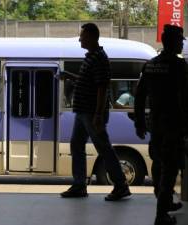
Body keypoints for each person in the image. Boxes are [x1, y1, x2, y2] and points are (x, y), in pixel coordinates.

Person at [60, 23, 131, 201]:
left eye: (82, 36)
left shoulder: (99, 58)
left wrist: (99, 114)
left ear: (91, 37)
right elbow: (91, 82)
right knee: (76, 145)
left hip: (92, 113)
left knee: (104, 148)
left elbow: (102, 87)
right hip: (83, 111)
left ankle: (121, 185)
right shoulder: (92, 57)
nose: (79, 39)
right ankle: (79, 185)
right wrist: (71, 76)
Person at [134, 24, 188, 225]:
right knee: (170, 168)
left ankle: (164, 202)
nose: (182, 43)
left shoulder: (149, 65)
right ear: (173, 42)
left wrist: (139, 122)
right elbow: (186, 98)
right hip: (173, 124)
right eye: (180, 40)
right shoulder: (179, 66)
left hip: (155, 124)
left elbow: (139, 96)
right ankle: (161, 215)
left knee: (158, 164)